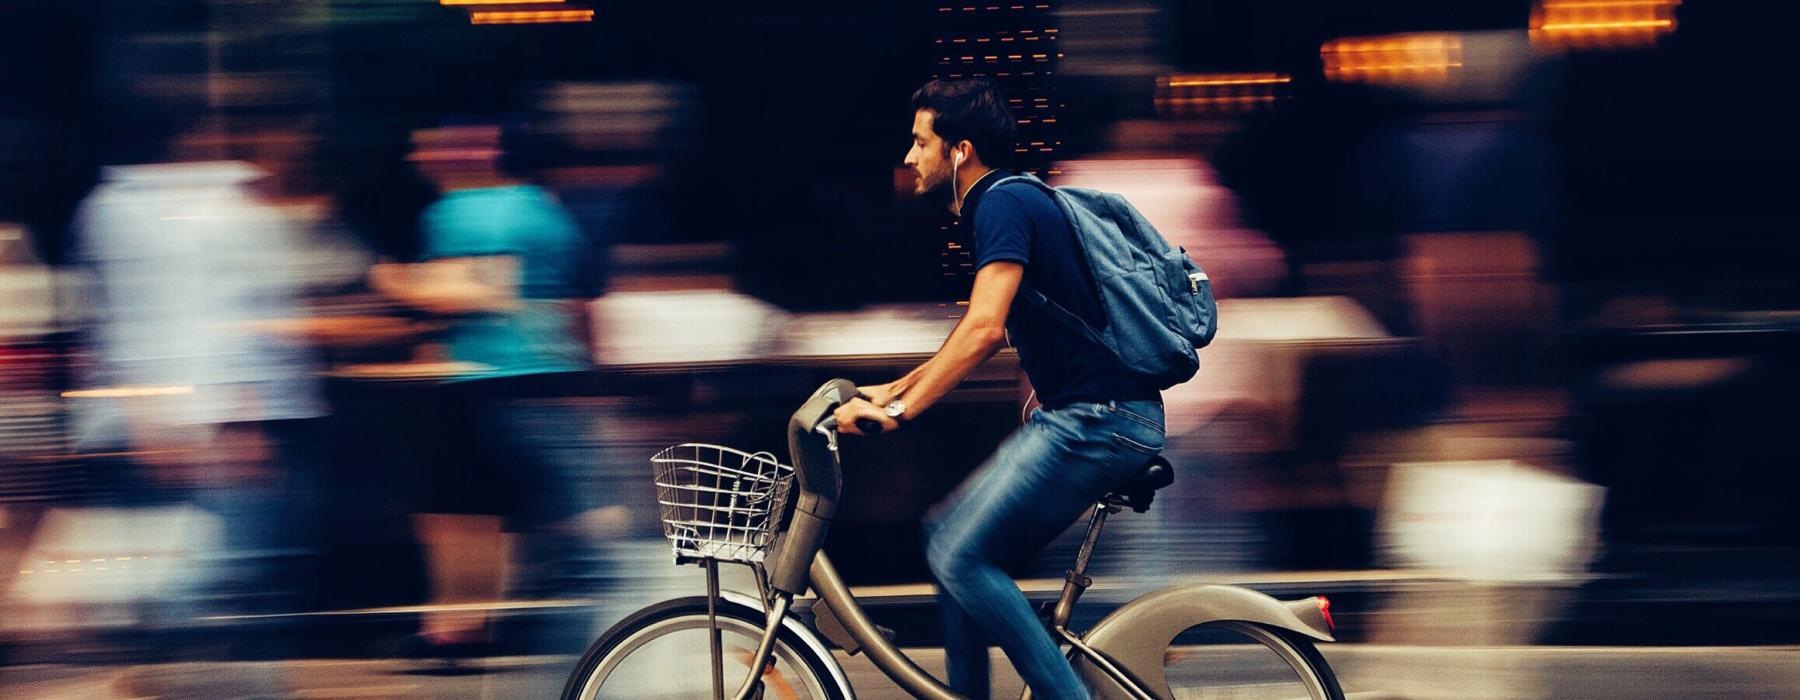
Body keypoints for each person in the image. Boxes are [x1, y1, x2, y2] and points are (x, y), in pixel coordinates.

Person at [833, 79, 1167, 700]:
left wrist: (900, 412)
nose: (909, 158)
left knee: (961, 556)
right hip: (1082, 417)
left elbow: (984, 328)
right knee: (943, 535)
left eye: (919, 142)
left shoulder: (1000, 205)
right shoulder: (1009, 201)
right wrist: (891, 389)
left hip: (1098, 420)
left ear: (959, 151)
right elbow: (977, 330)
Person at [370, 122, 609, 671]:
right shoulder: (545, 207)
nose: (417, 155)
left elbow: (481, 288)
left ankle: (459, 629)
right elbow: (576, 300)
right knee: (501, 507)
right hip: (545, 373)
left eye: (429, 146)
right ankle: (472, 624)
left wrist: (389, 281)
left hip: (484, 379)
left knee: (454, 510)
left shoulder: (462, 211)